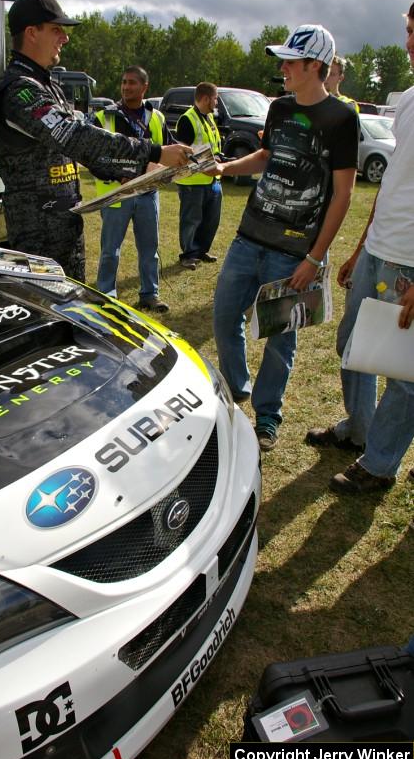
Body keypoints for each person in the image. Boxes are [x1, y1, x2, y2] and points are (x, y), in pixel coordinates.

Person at [213, 24, 359, 451]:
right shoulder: (278, 108)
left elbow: (344, 193)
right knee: (224, 318)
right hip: (249, 237)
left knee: (280, 338)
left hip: (294, 252)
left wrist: (314, 259)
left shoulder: (342, 119)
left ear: (316, 66)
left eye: (291, 62)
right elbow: (266, 155)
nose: (282, 68)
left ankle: (268, 416)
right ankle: (237, 392)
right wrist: (224, 168)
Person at [0, 0, 190, 282]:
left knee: (71, 306)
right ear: (32, 33)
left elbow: (79, 152)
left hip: (64, 223)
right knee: (49, 315)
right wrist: (153, 152)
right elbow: (74, 136)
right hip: (38, 231)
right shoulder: (19, 91)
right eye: (56, 29)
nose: (65, 38)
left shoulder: (46, 85)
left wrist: (126, 172)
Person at [306, 3, 414, 493]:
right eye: (409, 31)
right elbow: (394, 182)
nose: (410, 44)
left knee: (404, 375)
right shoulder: (409, 101)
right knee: (352, 344)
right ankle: (360, 431)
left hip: (409, 265)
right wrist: (359, 248)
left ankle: (379, 466)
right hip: (377, 250)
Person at [93, 66, 173, 312]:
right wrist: (118, 176)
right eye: (124, 82)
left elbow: (169, 149)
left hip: (148, 194)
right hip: (117, 194)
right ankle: (107, 295)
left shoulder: (156, 117)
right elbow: (93, 157)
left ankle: (150, 294)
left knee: (150, 249)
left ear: (144, 87)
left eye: (132, 83)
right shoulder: (104, 117)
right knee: (110, 251)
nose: (126, 87)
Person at [175, 82, 223, 270]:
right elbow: (183, 153)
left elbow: (214, 146)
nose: (216, 102)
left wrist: (222, 158)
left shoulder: (210, 118)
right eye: (215, 98)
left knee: (211, 219)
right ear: (205, 98)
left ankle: (202, 250)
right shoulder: (187, 119)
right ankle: (188, 254)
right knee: (191, 220)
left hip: (213, 180)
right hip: (192, 182)